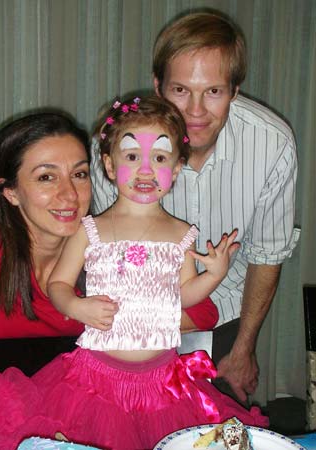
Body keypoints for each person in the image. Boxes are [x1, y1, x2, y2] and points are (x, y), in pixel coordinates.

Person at [0, 96, 268, 450]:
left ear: (175, 169)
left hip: (162, 384)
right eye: (132, 156)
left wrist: (213, 276)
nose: (145, 170)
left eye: (159, 158)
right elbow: (59, 285)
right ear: (110, 166)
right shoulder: (89, 231)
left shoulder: (179, 233)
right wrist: (76, 306)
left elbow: (186, 298)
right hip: (93, 381)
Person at [91, 11, 299, 403]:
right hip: (134, 317)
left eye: (214, 91)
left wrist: (243, 347)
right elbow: (108, 259)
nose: (196, 111)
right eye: (181, 90)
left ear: (235, 90)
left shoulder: (273, 144)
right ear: (158, 86)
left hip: (226, 313)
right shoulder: (117, 145)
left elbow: (267, 255)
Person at [0, 112, 93, 450]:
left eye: (79, 174)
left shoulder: (106, 257)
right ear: (10, 192)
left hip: (68, 431)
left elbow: (199, 316)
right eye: (46, 178)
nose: (69, 195)